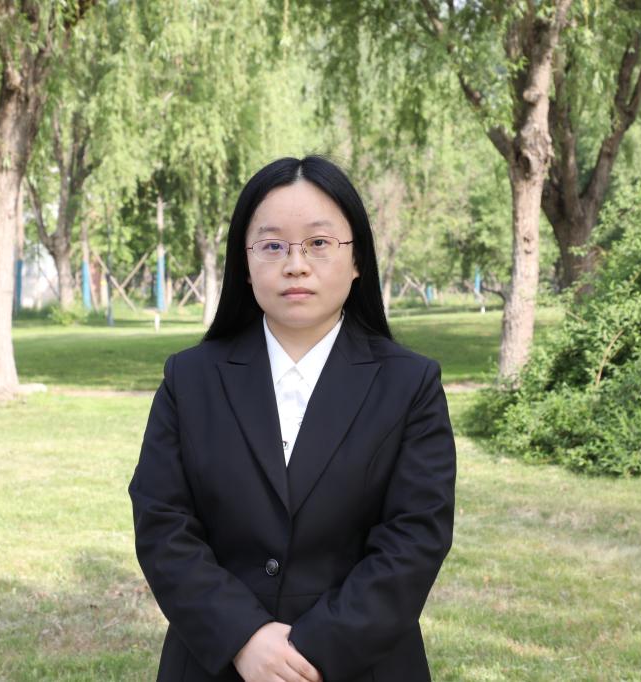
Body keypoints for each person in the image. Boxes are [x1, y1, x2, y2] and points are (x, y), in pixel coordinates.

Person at [128, 155, 456, 682]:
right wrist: (245, 639)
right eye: (273, 245)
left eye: (319, 243)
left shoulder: (409, 384)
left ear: (357, 259)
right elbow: (162, 525)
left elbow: (414, 541)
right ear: (245, 263)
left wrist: (307, 654)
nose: (296, 264)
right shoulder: (189, 379)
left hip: (363, 665)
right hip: (217, 662)